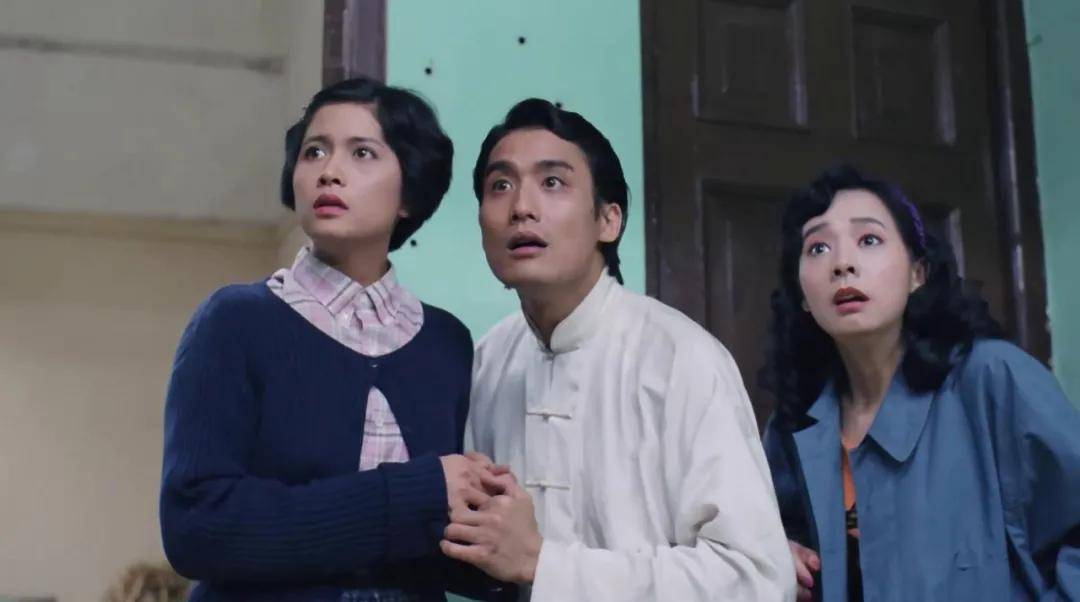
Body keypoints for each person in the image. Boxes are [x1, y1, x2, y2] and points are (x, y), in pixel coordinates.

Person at [160, 77, 505, 601]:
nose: (329, 171)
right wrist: (412, 494)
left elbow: (434, 542)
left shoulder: (446, 342)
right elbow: (196, 529)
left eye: (362, 153)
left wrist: (502, 550)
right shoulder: (235, 321)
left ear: (410, 193)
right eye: (314, 151)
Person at [444, 98, 795, 601]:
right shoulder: (489, 359)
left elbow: (756, 578)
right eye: (500, 185)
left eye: (552, 182)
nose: (521, 207)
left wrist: (544, 564)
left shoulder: (680, 357)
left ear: (609, 221)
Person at [760, 165, 1080, 601]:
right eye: (817, 247)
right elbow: (765, 544)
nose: (842, 264)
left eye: (868, 240)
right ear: (802, 294)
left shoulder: (992, 377)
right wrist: (778, 558)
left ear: (918, 273)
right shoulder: (793, 425)